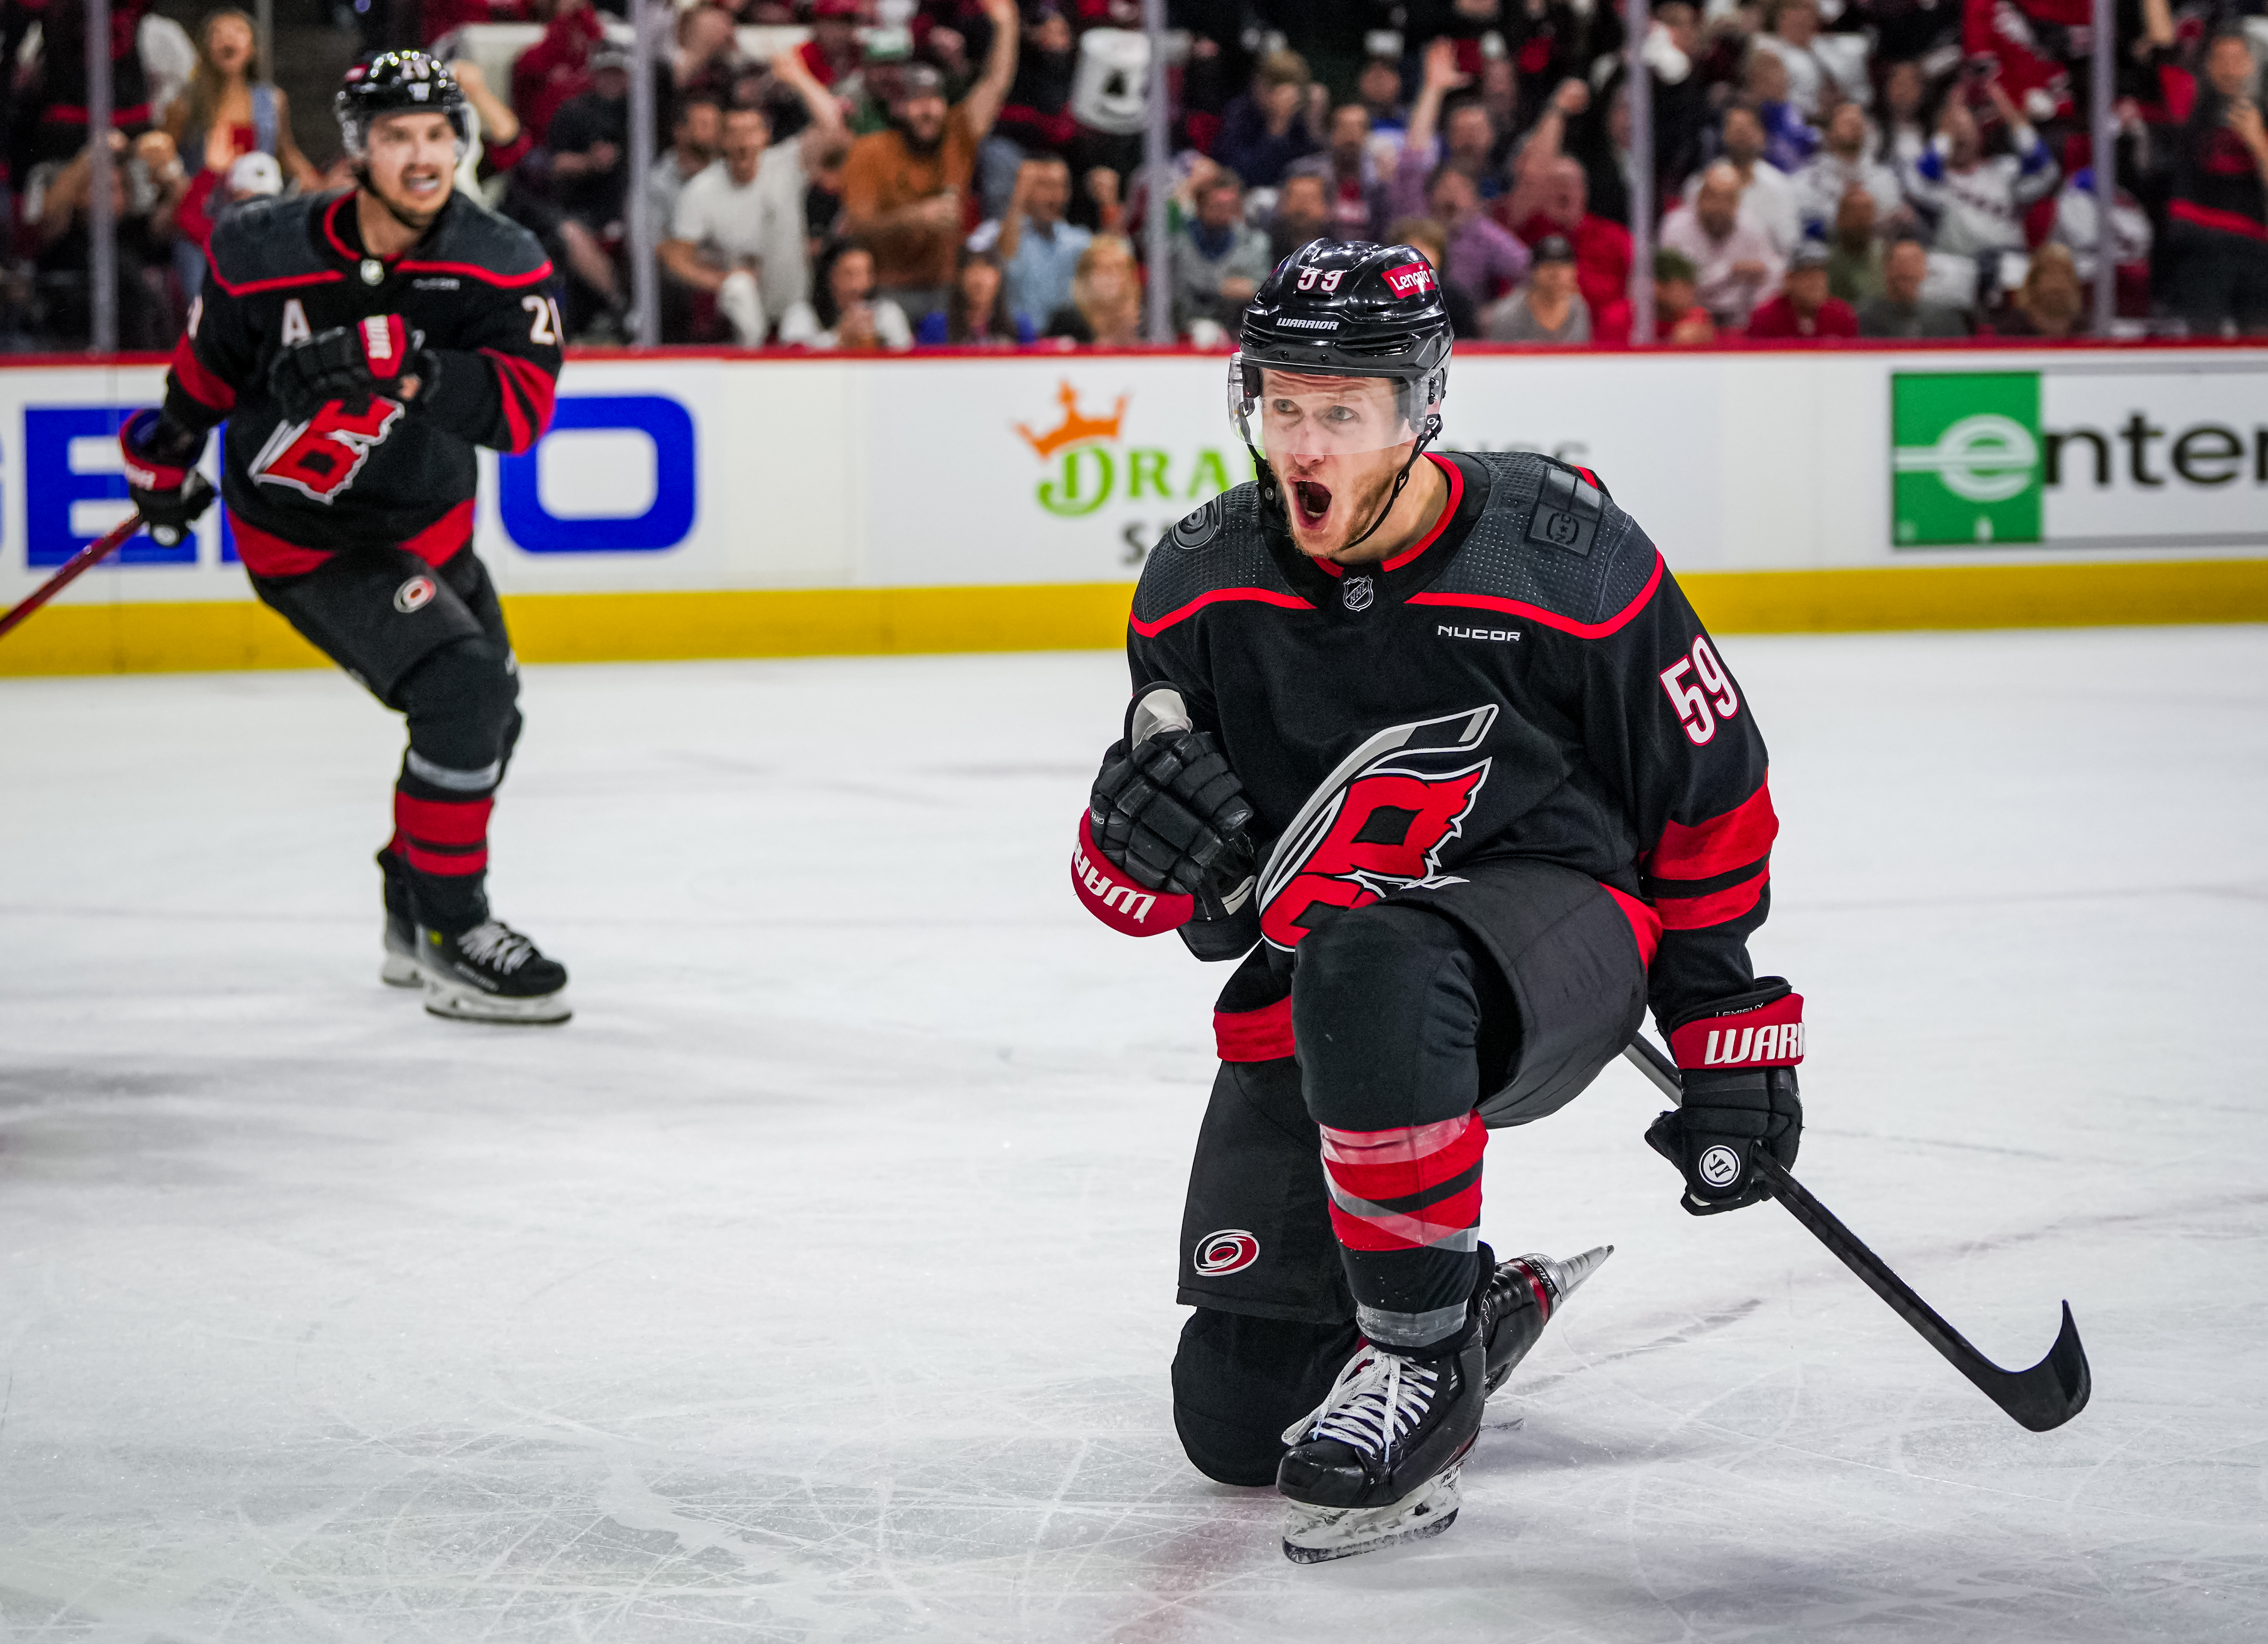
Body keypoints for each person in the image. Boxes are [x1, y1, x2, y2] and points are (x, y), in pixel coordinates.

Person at [1068, 236, 1796, 1562]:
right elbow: (1207, 905)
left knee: (1373, 952)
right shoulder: (1198, 579)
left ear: (1420, 410)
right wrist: (1132, 851)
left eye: (1341, 412)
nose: (1305, 440)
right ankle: (1462, 1304)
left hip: (1558, 942)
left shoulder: (1564, 559)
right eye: (1283, 405)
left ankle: (1416, 1359)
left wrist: (1725, 1030)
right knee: (1234, 1424)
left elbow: (1708, 794)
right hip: (1336, 993)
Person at [116, 53, 568, 1022]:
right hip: (309, 544)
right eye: (398, 136)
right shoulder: (261, 246)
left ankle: (414, 905)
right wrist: (164, 457)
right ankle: (453, 931)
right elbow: (206, 375)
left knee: (492, 719)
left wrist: (411, 369)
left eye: (438, 134)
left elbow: (521, 413)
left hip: (431, 531)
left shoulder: (500, 259)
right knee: (462, 690)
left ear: (462, 143)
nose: (422, 155)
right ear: (359, 149)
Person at [841, 0, 1020, 328]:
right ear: (899, 107)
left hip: (947, 288)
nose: (930, 111)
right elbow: (860, 226)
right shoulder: (869, 151)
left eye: (935, 100)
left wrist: (1006, 24)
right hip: (888, 290)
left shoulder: (956, 134)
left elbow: (995, 84)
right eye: (918, 101)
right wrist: (916, 217)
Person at [661, 53, 850, 346]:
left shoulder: (787, 164)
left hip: (792, 307)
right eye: (734, 134)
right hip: (740, 317)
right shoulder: (702, 191)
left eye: (751, 132)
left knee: (801, 327)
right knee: (739, 290)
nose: (743, 142)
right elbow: (677, 257)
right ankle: (751, 349)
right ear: (722, 141)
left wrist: (797, 75)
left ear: (765, 136)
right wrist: (720, 280)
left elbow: (831, 124)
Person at [1902, 77, 2058, 289]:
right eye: (1954, 132)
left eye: (1967, 128)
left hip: (2008, 265)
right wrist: (1946, 131)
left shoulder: (2004, 171)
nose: (1961, 135)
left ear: (1979, 135)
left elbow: (2046, 172)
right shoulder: (1934, 182)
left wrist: (2011, 115)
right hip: (1959, 268)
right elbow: (1919, 181)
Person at [2163, 31, 2268, 337]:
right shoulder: (2190, 105)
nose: (2229, 68)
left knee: (2259, 348)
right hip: (2201, 245)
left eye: (2237, 60)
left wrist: (2257, 142)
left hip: (2256, 248)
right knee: (2204, 341)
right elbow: (2162, 43)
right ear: (2207, 67)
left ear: (2251, 65)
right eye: (2220, 60)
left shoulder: (2262, 114)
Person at [164, 9, 320, 191]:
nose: (228, 39)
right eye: (218, 33)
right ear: (205, 49)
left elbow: (286, 152)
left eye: (239, 31)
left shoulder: (272, 100)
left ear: (253, 48)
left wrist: (316, 180)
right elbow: (167, 152)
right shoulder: (185, 103)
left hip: (257, 203)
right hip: (201, 209)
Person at [1659, 161, 1785, 328]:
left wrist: (1761, 280)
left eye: (1728, 199)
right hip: (1689, 318)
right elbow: (1677, 289)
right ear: (1700, 197)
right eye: (1713, 197)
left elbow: (1773, 276)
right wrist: (1730, 273)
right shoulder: (1676, 228)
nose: (1720, 207)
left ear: (1737, 202)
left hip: (1741, 319)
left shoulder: (1752, 227)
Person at [1502, 158, 1626, 317]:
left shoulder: (1616, 238)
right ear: (1543, 193)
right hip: (1537, 332)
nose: (1564, 191)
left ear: (1584, 191)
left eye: (1571, 184)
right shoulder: (1525, 235)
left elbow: (1639, 295)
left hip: (1602, 335)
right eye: (1556, 184)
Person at [1170, 166, 1272, 337]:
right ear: (1200, 205)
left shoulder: (1254, 242)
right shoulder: (1180, 239)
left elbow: (1262, 290)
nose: (1225, 213)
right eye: (1217, 206)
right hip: (1186, 325)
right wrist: (1223, 286)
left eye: (1230, 206)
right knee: (1206, 333)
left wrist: (1246, 288)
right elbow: (1183, 283)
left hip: (1239, 326)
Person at [994, 154, 1090, 333]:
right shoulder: (1006, 233)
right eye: (1044, 186)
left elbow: (1118, 264)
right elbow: (1001, 256)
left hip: (1067, 341)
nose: (1052, 196)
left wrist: (1109, 204)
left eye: (1059, 186)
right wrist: (1018, 197)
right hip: (1017, 343)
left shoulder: (1079, 241)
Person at [1793, 100, 1904, 242]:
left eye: (1859, 122)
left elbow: (1890, 222)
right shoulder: (1808, 180)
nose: (1854, 125)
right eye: (1846, 122)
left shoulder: (1885, 179)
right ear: (1830, 133)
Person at [1215, 49, 1324, 189]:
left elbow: (1316, 166)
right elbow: (1241, 175)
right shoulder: (1240, 113)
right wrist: (1277, 128)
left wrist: (1315, 124)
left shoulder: (1300, 117)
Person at [777, 240, 914, 349]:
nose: (857, 285)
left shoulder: (888, 313)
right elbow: (794, 356)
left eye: (864, 274)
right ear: (830, 277)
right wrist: (838, 338)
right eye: (849, 274)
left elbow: (905, 356)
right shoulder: (801, 314)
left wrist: (880, 340)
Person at [1856, 236, 1972, 337]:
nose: (1904, 285)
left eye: (1910, 278)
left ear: (1924, 273)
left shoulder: (1946, 319)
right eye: (1900, 278)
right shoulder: (1868, 317)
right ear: (1888, 272)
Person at [1485, 234, 1591, 343]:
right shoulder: (1508, 314)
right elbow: (1500, 358)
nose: (1558, 278)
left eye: (1564, 269)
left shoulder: (1578, 307)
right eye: (1550, 269)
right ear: (1533, 272)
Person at [1388, 215, 1481, 339]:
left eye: (1429, 248)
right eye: (1415, 250)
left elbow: (1467, 345)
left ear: (1441, 256)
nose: (1421, 258)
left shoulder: (1457, 301)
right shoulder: (1384, 300)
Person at [1742, 241, 1858, 337]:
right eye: (1807, 273)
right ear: (1789, 279)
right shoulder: (1765, 319)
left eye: (1821, 272)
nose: (1816, 281)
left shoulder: (1842, 316)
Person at [1047, 234, 1143, 345]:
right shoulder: (1066, 323)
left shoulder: (1138, 320)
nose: (1113, 277)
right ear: (1086, 276)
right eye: (1104, 269)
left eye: (1119, 269)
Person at [1991, 242, 2086, 338]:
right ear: (2034, 280)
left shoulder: (2086, 328)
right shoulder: (2011, 329)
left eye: (2065, 275)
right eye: (2051, 274)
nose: (2058, 284)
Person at [1824, 181, 1886, 304]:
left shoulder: (1885, 256)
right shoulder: (1828, 263)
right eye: (1856, 215)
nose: (1862, 223)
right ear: (1840, 219)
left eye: (1866, 215)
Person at [1269, 170, 1334, 261]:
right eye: (1296, 198)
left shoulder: (1336, 248)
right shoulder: (1268, 246)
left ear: (1326, 206)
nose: (1302, 207)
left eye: (1310, 199)